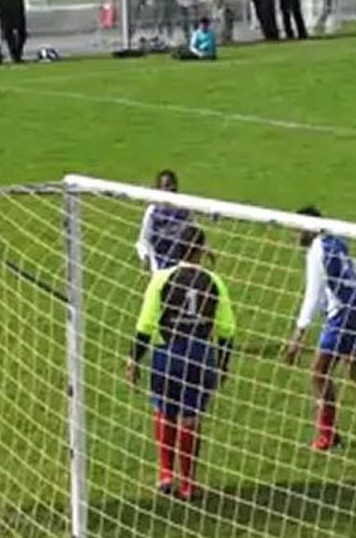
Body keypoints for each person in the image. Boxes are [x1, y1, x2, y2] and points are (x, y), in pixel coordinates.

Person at [126, 224, 236, 500]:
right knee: (190, 418)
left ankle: (166, 475)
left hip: (167, 355)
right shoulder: (214, 281)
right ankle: (188, 484)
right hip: (200, 356)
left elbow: (146, 323)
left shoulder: (162, 278)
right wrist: (223, 363)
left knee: (164, 412)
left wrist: (133, 358)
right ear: (200, 250)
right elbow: (226, 329)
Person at [283, 206, 356, 451]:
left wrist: (298, 336)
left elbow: (313, 295)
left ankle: (328, 434)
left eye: (297, 231)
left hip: (342, 314)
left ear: (308, 227)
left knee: (318, 373)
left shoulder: (316, 250)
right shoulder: (337, 240)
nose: (295, 237)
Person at [136, 170, 195, 272]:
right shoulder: (153, 211)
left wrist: (204, 247)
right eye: (166, 186)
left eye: (173, 187)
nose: (170, 189)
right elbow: (144, 239)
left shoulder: (184, 210)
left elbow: (195, 231)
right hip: (159, 266)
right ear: (159, 189)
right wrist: (145, 256)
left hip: (181, 266)